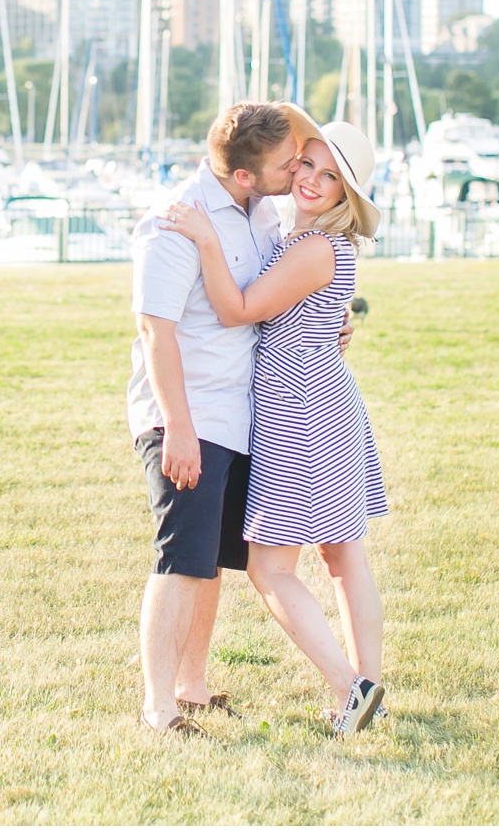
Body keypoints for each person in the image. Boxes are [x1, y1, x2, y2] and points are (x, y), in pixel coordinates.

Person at [158, 106, 390, 735]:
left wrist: (205, 238)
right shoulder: (309, 241)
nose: (310, 179)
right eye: (306, 164)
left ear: (347, 195)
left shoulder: (315, 246)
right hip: (322, 400)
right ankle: (367, 688)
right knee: (344, 556)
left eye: (329, 176)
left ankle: (355, 688)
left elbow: (236, 309)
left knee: (270, 569)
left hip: (299, 410)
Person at [127, 101, 301, 735]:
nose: (297, 169)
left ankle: (192, 686)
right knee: (181, 558)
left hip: (239, 414)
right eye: (287, 164)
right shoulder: (173, 222)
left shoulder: (261, 213)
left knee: (213, 559)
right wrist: (176, 426)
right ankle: (159, 708)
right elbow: (155, 331)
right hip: (188, 414)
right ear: (246, 174)